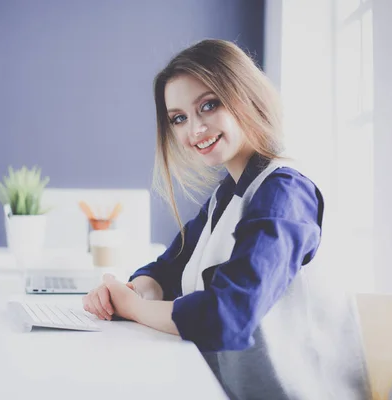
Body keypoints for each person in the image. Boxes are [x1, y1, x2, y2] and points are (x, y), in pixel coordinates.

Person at [82, 39, 369, 399]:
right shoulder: (226, 195)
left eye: (209, 105)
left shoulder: (284, 193)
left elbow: (227, 318)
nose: (195, 129)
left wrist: (135, 308)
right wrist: (131, 291)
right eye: (179, 119)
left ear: (245, 95)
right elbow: (167, 268)